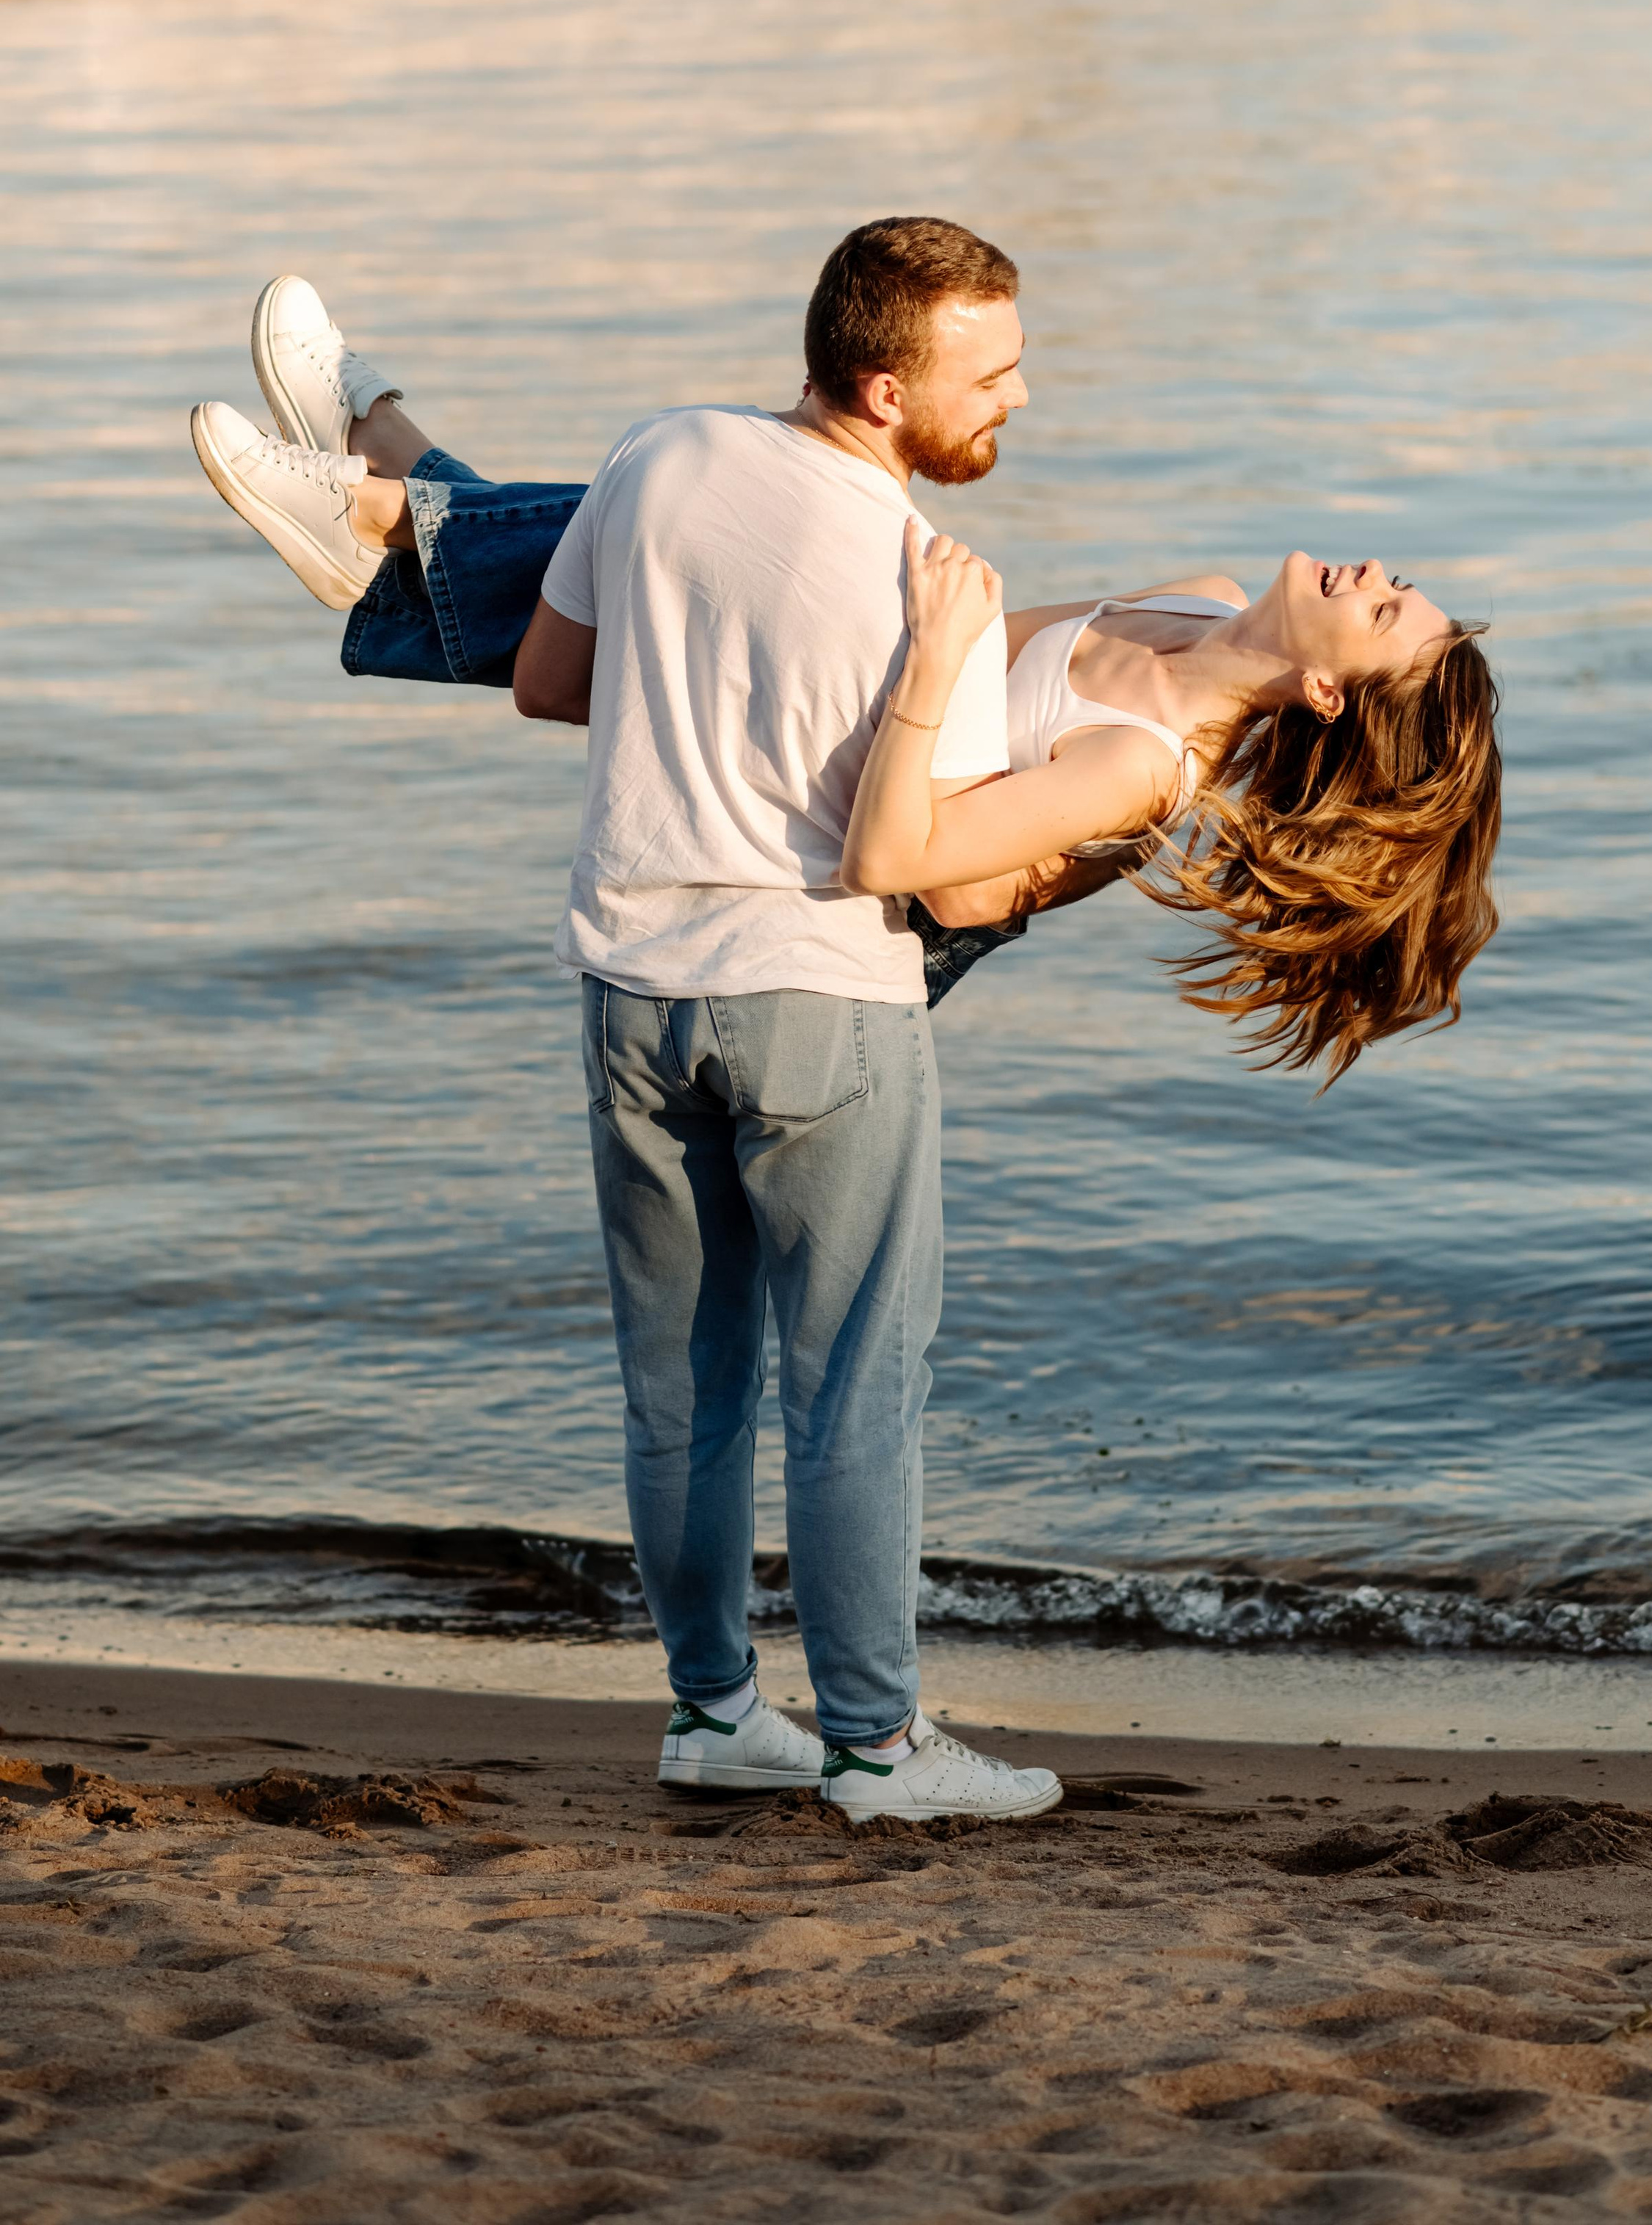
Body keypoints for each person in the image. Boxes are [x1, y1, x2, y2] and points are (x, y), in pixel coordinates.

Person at [190, 239, 1503, 1790]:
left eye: (1390, 615)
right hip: (765, 967)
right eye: (1405, 585)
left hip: (820, 969)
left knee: (800, 1400)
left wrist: (922, 651)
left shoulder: (1148, 773)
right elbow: (847, 615)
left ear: (1336, 699)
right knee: (751, 1394)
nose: (1380, 577)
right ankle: (756, 1730)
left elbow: (927, 873)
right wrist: (843, 586)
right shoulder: (1189, 601)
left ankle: (386, 491)